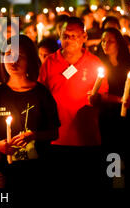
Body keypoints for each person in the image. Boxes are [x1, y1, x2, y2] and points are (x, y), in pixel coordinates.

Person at [38, 17, 109, 188]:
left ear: (84, 37)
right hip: (57, 139)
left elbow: (104, 95)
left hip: (87, 138)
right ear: (59, 36)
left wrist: (97, 99)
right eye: (65, 35)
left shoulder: (94, 63)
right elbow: (40, 96)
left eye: (74, 36)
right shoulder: (49, 62)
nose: (69, 40)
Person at [0, 35, 60, 188]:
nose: (13, 61)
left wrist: (33, 136)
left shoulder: (41, 93)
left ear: (30, 60)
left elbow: (54, 132)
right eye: (8, 54)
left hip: (37, 169)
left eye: (19, 56)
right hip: (5, 170)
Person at [99, 28, 130, 188]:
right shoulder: (99, 64)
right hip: (108, 118)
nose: (105, 44)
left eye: (110, 40)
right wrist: (116, 99)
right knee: (111, 156)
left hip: (129, 118)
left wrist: (129, 99)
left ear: (119, 43)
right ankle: (111, 183)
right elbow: (98, 92)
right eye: (103, 40)